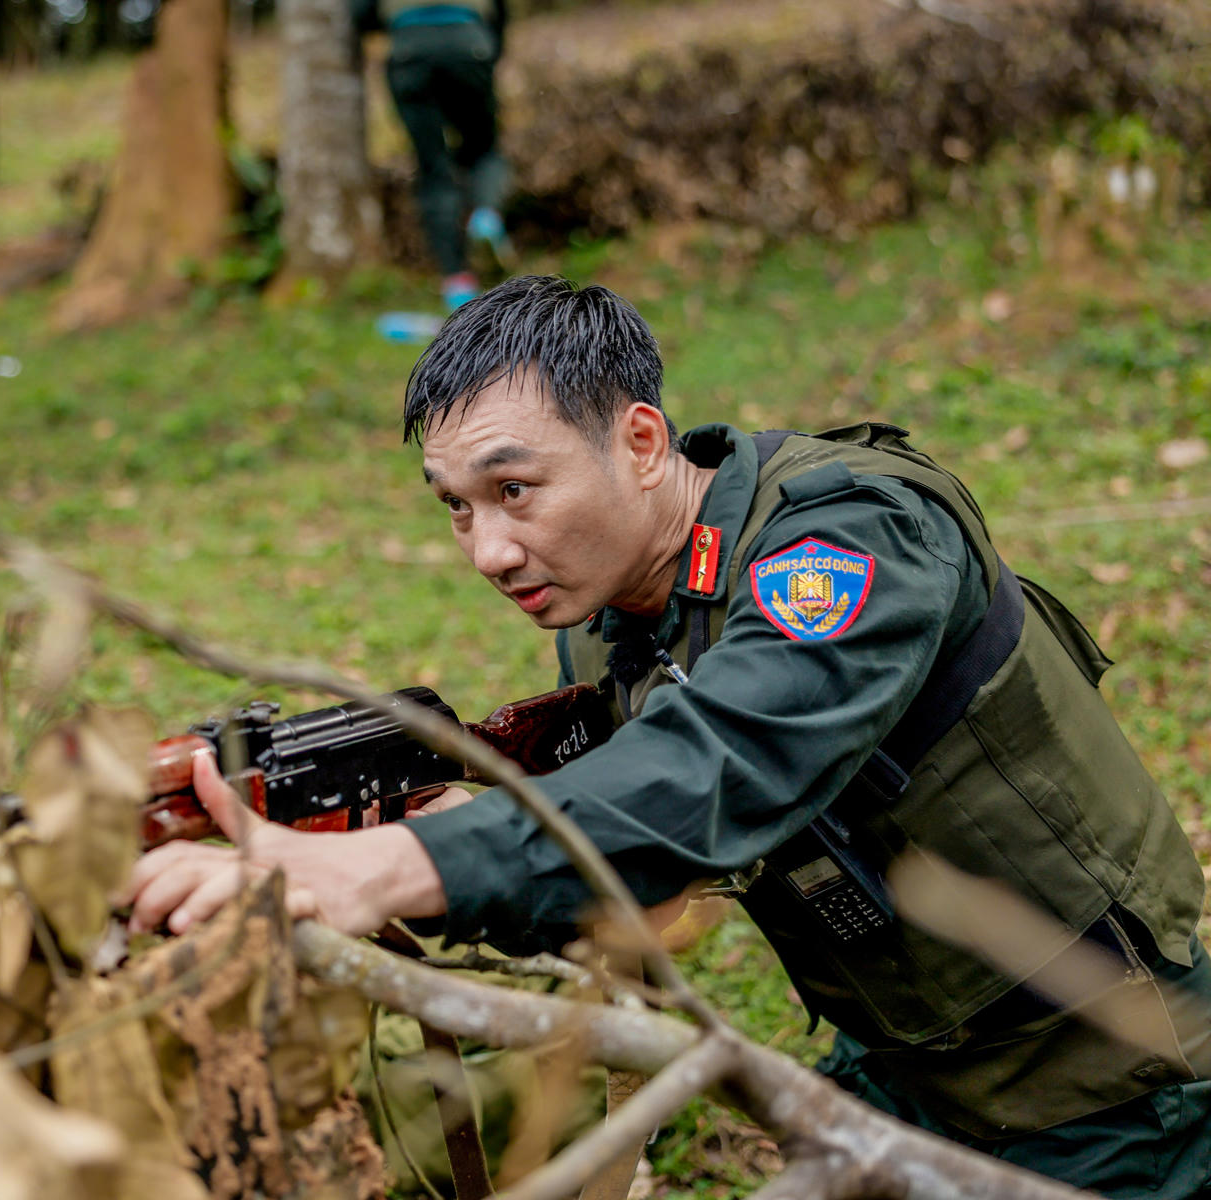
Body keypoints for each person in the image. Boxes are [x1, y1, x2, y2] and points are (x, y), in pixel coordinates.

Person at [120, 275, 1211, 1197]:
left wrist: (391, 864)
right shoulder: (607, 628)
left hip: (1113, 1084)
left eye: (515, 489)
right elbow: (650, 899)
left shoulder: (854, 535)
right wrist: (466, 838)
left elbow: (727, 759)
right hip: (894, 1073)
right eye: (456, 506)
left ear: (641, 441)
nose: (488, 550)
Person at [352, 0, 512, 312]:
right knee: (483, 149)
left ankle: (457, 281)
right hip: (469, 42)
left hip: (410, 47)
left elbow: (360, 12)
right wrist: (490, 50)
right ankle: (486, 216)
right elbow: (500, 11)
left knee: (433, 167)